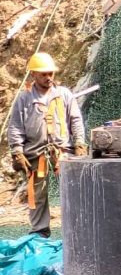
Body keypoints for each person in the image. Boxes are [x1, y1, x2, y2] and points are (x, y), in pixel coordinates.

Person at [7, 52, 88, 238]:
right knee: (37, 194)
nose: (48, 77)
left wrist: (79, 144)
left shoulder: (64, 94)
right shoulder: (24, 98)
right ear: (33, 74)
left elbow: (76, 120)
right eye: (43, 74)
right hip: (36, 153)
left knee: (72, 190)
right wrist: (17, 151)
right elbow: (16, 127)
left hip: (63, 151)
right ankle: (40, 232)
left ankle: (77, 229)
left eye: (50, 73)